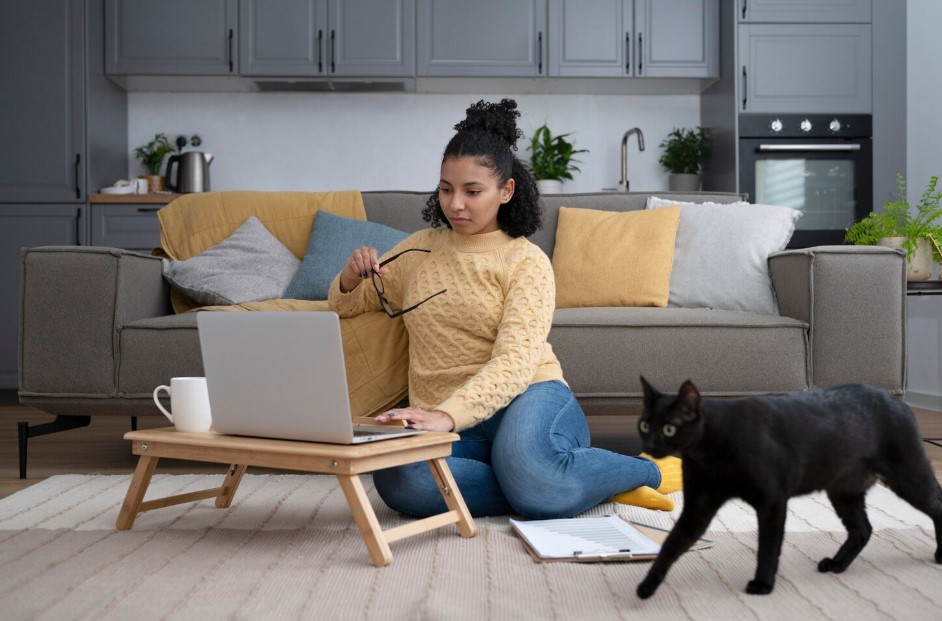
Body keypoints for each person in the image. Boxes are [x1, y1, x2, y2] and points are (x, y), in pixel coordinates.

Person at [329, 99, 681, 519]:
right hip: (453, 421)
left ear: (506, 190)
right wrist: (352, 276)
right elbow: (349, 303)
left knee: (528, 466)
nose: (455, 204)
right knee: (400, 478)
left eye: (472, 191)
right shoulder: (419, 248)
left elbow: (515, 364)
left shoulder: (525, 262)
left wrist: (445, 415)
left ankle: (645, 471)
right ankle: (564, 481)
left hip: (528, 397)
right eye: (446, 189)